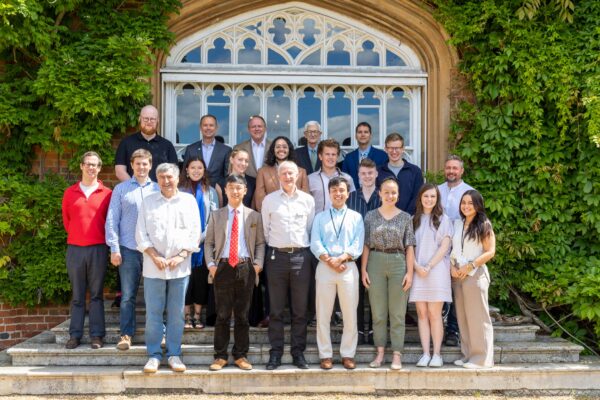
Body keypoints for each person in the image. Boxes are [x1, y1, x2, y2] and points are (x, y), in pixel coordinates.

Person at [136, 163, 201, 374]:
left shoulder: (188, 201)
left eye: (169, 177)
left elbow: (195, 233)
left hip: (179, 268)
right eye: (162, 177)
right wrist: (154, 256)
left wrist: (181, 256)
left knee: (176, 314)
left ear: (177, 178)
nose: (166, 181)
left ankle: (174, 354)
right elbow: (141, 234)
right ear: (157, 179)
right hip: (153, 267)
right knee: (154, 313)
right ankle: (153, 356)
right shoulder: (148, 202)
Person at [204, 175, 266, 371]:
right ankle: (220, 356)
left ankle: (240, 355)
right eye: (231, 187)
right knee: (222, 314)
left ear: (245, 190)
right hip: (222, 267)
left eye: (239, 188)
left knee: (242, 315)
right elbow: (209, 243)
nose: (235, 191)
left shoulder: (254, 216)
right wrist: (212, 265)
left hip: (245, 267)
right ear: (226, 189)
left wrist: (257, 265)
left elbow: (260, 244)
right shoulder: (217, 214)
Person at [261, 161, 315, 370]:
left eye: (291, 173)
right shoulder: (269, 200)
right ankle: (275, 354)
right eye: (283, 173)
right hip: (276, 258)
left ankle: (298, 353)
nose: (288, 177)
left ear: (298, 175)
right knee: (275, 310)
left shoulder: (307, 201)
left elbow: (309, 228)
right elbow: (266, 231)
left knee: (300, 310)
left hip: (301, 257)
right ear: (278, 176)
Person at [105, 149, 158, 351]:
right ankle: (126, 334)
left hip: (153, 250)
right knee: (127, 296)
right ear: (132, 165)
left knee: (155, 295)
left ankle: (158, 333)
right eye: (138, 164)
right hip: (128, 248)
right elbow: (112, 219)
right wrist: (114, 248)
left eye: (145, 164)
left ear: (150, 165)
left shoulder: (158, 189)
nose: (141, 167)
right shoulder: (121, 189)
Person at [310, 176, 364, 370]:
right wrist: (330, 261)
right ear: (330, 193)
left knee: (350, 314)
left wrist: (341, 259)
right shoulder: (320, 217)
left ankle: (348, 354)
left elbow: (358, 244)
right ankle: (325, 354)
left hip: (348, 267)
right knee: (323, 313)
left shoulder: (356, 217)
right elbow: (315, 243)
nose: (338, 194)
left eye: (341, 190)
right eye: (334, 191)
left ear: (347, 193)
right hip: (325, 267)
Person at [361, 177, 415, 370]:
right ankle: (380, 352)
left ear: (398, 195)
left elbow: (409, 247)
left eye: (394, 192)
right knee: (378, 312)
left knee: (398, 312)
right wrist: (363, 270)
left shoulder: (406, 217)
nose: (390, 195)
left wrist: (410, 273)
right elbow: (366, 244)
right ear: (380, 194)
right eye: (387, 192)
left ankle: (397, 354)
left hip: (398, 262)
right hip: (375, 262)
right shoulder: (370, 216)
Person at [61, 151, 112, 350]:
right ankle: (75, 335)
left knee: (97, 294)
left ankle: (97, 336)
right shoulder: (70, 193)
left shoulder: (107, 193)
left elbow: (110, 222)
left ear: (100, 168)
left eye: (95, 165)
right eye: (88, 164)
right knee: (77, 295)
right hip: (75, 249)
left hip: (98, 248)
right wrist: (78, 236)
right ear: (81, 166)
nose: (91, 168)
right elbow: (67, 221)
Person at [450, 190, 496, 369]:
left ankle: (481, 359)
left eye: (470, 203)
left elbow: (490, 251)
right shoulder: (457, 223)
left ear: (478, 205)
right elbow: (453, 250)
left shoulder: (484, 224)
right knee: (462, 316)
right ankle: (468, 355)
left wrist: (470, 266)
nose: (466, 206)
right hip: (458, 276)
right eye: (463, 202)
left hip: (475, 275)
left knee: (478, 317)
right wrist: (452, 267)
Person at [409, 183, 453, 368]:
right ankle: (426, 353)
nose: (429, 200)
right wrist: (416, 266)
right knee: (421, 313)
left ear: (437, 199)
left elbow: (445, 247)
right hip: (418, 271)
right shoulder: (413, 220)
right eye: (426, 196)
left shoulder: (444, 219)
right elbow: (409, 247)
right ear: (420, 198)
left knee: (435, 313)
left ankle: (437, 354)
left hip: (436, 271)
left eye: (433, 197)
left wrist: (428, 266)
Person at [178, 157, 220, 330]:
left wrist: (200, 238)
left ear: (204, 170)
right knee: (185, 279)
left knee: (200, 280)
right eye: (192, 167)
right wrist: (187, 239)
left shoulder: (211, 191)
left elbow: (214, 217)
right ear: (186, 170)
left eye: (199, 168)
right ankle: (186, 315)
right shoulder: (179, 190)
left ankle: (197, 315)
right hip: (182, 244)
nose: (196, 170)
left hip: (204, 245)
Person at [438, 154, 474, 346]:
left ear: (461, 171)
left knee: (457, 289)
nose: (451, 171)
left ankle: (453, 331)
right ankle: (439, 327)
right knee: (441, 286)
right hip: (439, 247)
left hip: (462, 247)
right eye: (448, 168)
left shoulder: (470, 192)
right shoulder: (437, 190)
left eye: (455, 168)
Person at [346, 158, 381, 345]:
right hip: (355, 253)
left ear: (376, 174)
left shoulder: (383, 196)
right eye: (363, 174)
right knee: (356, 294)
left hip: (377, 252)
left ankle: (376, 330)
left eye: (370, 173)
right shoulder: (350, 197)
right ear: (358, 176)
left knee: (376, 294)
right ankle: (359, 331)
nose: (367, 177)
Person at [114, 105, 178, 182]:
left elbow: (174, 172)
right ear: (140, 119)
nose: (149, 122)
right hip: (133, 192)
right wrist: (134, 187)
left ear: (158, 120)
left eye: (152, 119)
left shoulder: (167, 146)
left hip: (159, 192)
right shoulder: (126, 143)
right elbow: (119, 171)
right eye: (146, 119)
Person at [254, 136, 309, 212]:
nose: (281, 149)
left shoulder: (301, 172)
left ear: (289, 150)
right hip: (272, 218)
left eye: (284, 147)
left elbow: (305, 199)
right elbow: (260, 201)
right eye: (278, 147)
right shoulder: (262, 172)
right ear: (273, 150)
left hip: (295, 218)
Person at [376, 133, 423, 215]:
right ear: (386, 149)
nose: (394, 151)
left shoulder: (415, 171)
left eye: (397, 148)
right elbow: (377, 197)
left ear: (403, 149)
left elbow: (417, 197)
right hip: (383, 219)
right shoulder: (378, 172)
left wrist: (405, 217)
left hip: (409, 219)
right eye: (390, 148)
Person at [183, 114, 232, 189]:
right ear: (200, 128)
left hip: (218, 194)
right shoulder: (191, 149)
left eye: (211, 125)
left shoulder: (226, 150)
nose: (208, 128)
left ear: (216, 128)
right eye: (205, 125)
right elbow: (185, 174)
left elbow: (227, 176)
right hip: (194, 192)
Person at [308, 138, 355, 214]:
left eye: (333, 154)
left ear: (337, 157)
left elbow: (353, 203)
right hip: (318, 223)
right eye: (327, 154)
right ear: (320, 156)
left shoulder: (347, 179)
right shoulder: (310, 179)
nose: (330, 157)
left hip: (342, 223)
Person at [341, 122, 388, 189]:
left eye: (366, 132)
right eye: (360, 132)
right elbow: (344, 181)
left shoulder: (382, 156)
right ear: (356, 136)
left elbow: (385, 180)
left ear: (370, 135)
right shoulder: (348, 158)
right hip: (354, 197)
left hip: (376, 197)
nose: (363, 134)